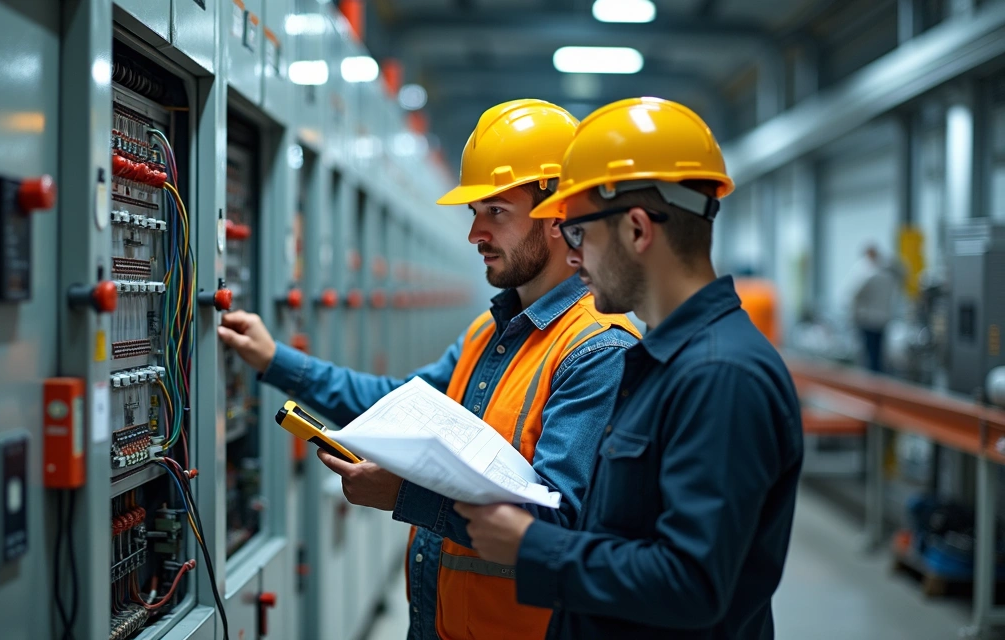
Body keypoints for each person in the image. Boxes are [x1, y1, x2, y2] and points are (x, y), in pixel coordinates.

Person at [216, 99, 640, 640]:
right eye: (474, 214)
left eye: (496, 212)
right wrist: (276, 360)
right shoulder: (487, 334)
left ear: (559, 217)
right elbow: (395, 404)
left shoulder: (596, 352)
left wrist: (403, 497)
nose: (475, 234)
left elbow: (555, 530)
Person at [454, 97, 804, 639]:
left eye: (579, 235)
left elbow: (692, 583)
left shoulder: (720, 377)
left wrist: (532, 545)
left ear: (637, 230)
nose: (573, 257)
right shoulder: (663, 362)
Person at [852, 245, 896, 372]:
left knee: (868, 355)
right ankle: (878, 379)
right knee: (878, 355)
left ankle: (871, 383)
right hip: (882, 320)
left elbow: (855, 295)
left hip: (868, 321)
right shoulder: (889, 277)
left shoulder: (869, 276)